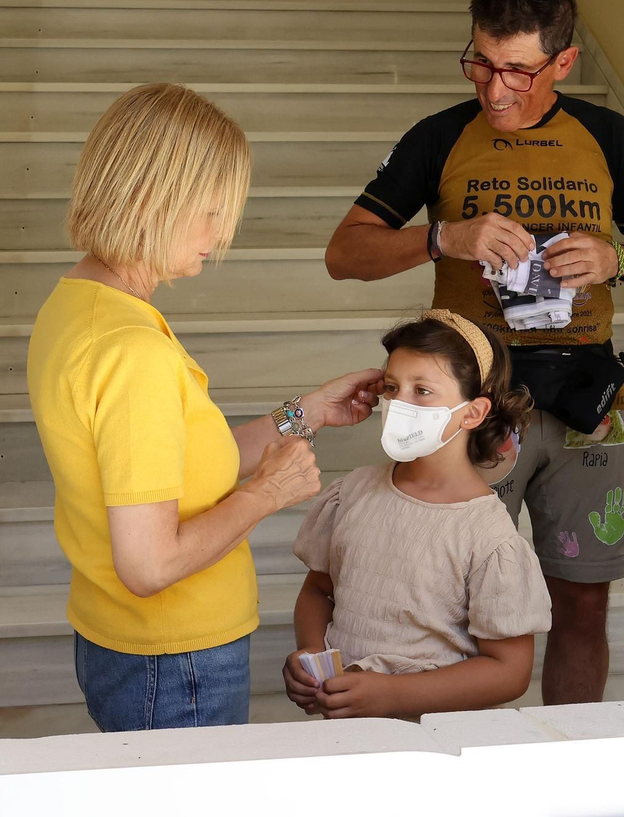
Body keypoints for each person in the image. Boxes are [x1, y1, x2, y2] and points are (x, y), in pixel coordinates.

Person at [323, 0, 624, 705]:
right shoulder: (441, 135)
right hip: (472, 403)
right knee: (442, 603)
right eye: (481, 63)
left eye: (518, 71)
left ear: (563, 62)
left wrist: (619, 259)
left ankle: (567, 772)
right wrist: (441, 238)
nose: (494, 90)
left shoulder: (607, 136)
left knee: (583, 601)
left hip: (588, 404)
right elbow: (344, 253)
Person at [26, 83, 384, 731]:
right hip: (174, 656)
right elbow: (150, 565)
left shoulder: (77, 306)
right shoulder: (132, 351)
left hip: (127, 643)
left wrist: (307, 412)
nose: (223, 233)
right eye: (211, 210)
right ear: (150, 198)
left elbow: (183, 456)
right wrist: (268, 494)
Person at [282, 310, 551, 719]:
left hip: (433, 745)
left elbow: (510, 672)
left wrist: (394, 694)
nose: (399, 404)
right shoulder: (355, 491)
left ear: (473, 413)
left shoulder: (487, 535)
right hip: (343, 730)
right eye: (393, 387)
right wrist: (311, 654)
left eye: (422, 390)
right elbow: (319, 591)